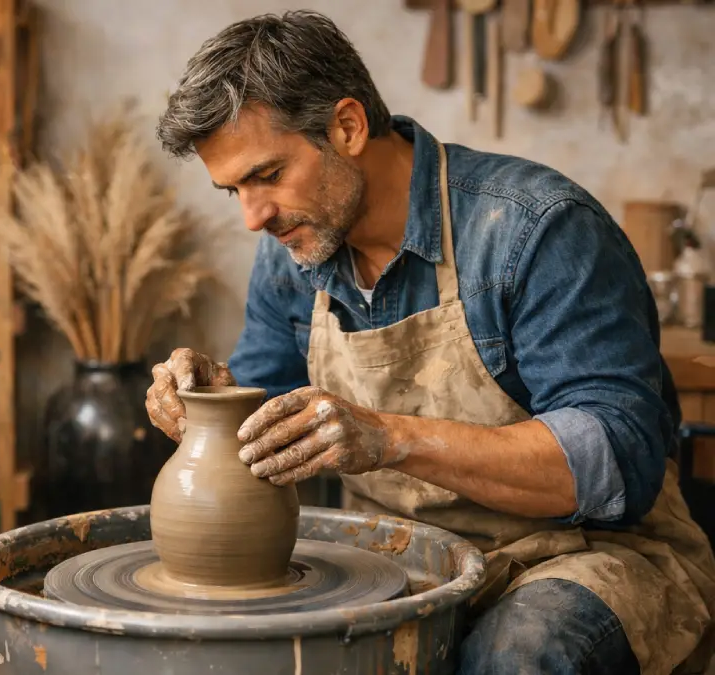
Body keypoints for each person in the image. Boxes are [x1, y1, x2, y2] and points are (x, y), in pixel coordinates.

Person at [146, 10, 715, 675]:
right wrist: (214, 398)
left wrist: (390, 438)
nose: (252, 216)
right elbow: (268, 425)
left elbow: (621, 464)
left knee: (520, 653)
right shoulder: (294, 255)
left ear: (348, 126)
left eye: (267, 175)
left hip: (579, 556)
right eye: (233, 189)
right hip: (401, 556)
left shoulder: (535, 231)